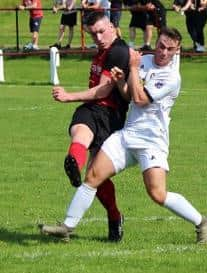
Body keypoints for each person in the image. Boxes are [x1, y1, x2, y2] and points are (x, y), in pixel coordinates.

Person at [39, 27, 207, 244]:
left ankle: (202, 222)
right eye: (161, 46)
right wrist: (122, 80)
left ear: (176, 51)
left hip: (152, 141)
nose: (163, 52)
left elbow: (141, 99)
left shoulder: (171, 77)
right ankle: (67, 227)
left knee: (157, 194)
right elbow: (128, 95)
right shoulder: (145, 60)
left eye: (170, 49)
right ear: (157, 43)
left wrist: (131, 69)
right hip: (127, 134)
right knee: (93, 176)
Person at [45, 11, 130, 242]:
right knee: (79, 134)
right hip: (92, 108)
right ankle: (74, 163)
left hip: (109, 115)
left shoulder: (119, 51)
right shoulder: (104, 49)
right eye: (93, 34)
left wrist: (68, 96)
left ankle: (115, 216)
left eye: (102, 31)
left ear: (112, 26)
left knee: (95, 177)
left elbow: (104, 90)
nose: (99, 37)